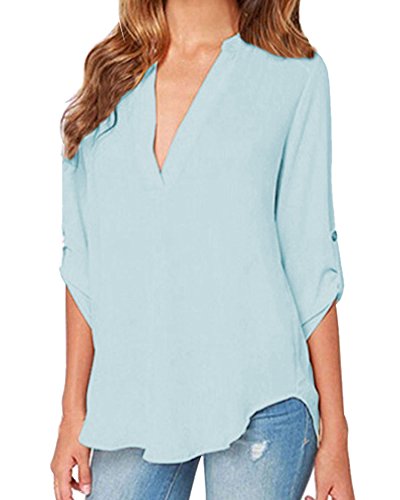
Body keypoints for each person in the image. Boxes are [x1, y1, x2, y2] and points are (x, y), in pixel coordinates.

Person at [50, 0, 355, 498]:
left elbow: (311, 260)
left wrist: (336, 435)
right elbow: (83, 263)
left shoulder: (293, 75)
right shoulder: (110, 76)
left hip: (262, 398)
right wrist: (72, 414)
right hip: (134, 402)